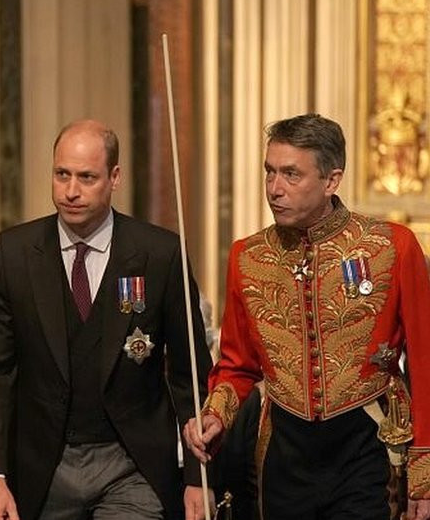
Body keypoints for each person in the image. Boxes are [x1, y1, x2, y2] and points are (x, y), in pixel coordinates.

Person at [183, 113, 430, 520]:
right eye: (269, 173)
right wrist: (215, 416)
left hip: (367, 447)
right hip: (284, 454)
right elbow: (237, 367)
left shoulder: (391, 247)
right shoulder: (248, 257)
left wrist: (422, 470)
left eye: (291, 175)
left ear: (331, 181)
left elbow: (423, 363)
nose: (274, 189)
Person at [0, 119, 212, 520]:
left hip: (133, 467)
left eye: (86, 177)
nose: (70, 191)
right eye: (61, 174)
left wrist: (197, 478)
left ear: (114, 177)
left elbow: (189, 374)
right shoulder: (13, 254)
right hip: (43, 469)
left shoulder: (160, 255)